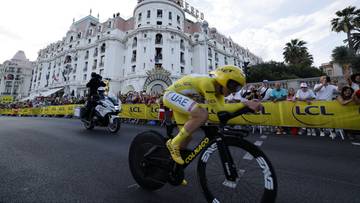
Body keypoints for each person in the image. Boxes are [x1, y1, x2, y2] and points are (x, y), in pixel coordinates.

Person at [163, 65, 262, 167]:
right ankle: (173, 143)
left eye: (238, 88)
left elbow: (222, 109)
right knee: (202, 115)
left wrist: (246, 104)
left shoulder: (219, 92)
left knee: (186, 138)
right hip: (170, 95)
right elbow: (218, 109)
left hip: (183, 97)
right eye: (233, 85)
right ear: (223, 80)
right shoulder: (207, 83)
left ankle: (175, 168)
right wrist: (246, 104)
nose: (233, 90)